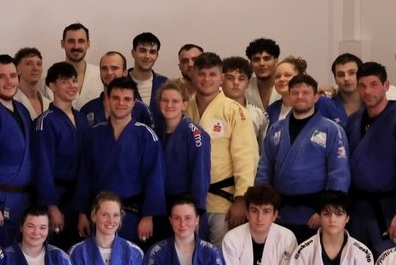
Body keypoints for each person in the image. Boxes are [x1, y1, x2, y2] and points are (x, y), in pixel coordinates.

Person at [0, 54, 57, 247]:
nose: (9, 81)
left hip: (25, 202)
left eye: (13, 76)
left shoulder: (21, 109)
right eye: (1, 76)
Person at [344, 61, 396, 255]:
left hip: (390, 210)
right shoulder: (354, 120)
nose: (368, 91)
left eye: (374, 84)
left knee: (391, 263)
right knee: (358, 263)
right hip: (358, 209)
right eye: (362, 85)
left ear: (386, 85)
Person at [256, 73, 350, 241]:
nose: (300, 96)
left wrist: (325, 212)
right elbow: (265, 169)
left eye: (306, 92)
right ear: (289, 96)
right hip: (281, 213)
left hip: (314, 213)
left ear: (316, 97)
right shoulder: (276, 129)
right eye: (295, 92)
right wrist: (266, 208)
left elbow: (339, 174)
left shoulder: (331, 129)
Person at [73, 77, 165, 243]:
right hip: (99, 213)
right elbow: (84, 176)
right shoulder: (94, 134)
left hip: (132, 213)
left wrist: (148, 216)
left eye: (127, 99)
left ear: (134, 103)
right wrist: (82, 214)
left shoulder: (146, 136)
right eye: (115, 98)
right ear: (107, 99)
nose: (121, 103)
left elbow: (155, 178)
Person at [185, 52, 259, 243]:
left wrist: (241, 199)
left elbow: (246, 158)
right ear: (192, 75)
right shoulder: (185, 108)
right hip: (191, 200)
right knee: (193, 255)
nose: (206, 79)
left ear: (221, 78)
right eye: (201, 74)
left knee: (222, 256)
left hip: (224, 202)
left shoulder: (234, 111)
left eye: (212, 74)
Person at [34, 61, 89, 251]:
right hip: (57, 198)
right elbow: (43, 167)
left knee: (78, 251)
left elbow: (87, 166)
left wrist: (83, 209)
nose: (72, 85)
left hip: (79, 199)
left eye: (74, 81)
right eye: (65, 81)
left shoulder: (82, 119)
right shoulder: (45, 122)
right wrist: (52, 206)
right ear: (52, 86)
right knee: (56, 251)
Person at [154, 79, 211, 242]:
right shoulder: (154, 131)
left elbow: (200, 176)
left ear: (184, 105)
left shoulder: (195, 134)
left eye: (175, 101)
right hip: (160, 206)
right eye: (165, 100)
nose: (169, 105)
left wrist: (196, 211)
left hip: (186, 208)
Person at [264, 56, 346, 127]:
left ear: (300, 77)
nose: (281, 79)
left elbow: (339, 131)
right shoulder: (272, 109)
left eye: (287, 75)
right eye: (277, 76)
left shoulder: (320, 102)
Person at [78, 51, 154, 127]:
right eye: (104, 68)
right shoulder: (88, 109)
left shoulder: (141, 110)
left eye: (114, 68)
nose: (109, 72)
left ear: (125, 72)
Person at [220, 56, 268, 147]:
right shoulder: (212, 111)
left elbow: (263, 150)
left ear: (248, 83)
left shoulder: (258, 115)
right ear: (221, 80)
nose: (236, 83)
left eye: (241, 79)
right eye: (230, 78)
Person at [58, 23, 103, 110]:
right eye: (71, 41)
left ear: (88, 44)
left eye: (81, 41)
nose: (76, 46)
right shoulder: (52, 77)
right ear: (63, 44)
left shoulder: (100, 74)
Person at [129, 32, 168, 112]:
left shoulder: (165, 84)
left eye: (152, 52)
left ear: (157, 56)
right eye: (142, 51)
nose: (147, 56)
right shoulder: (120, 82)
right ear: (133, 53)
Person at [13, 47, 51, 118]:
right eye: (29, 64)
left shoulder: (49, 104)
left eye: (39, 64)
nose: (35, 68)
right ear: (17, 70)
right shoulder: (11, 102)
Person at [244, 37, 282, 109]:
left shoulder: (285, 86)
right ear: (251, 63)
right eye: (256, 59)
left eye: (266, 59)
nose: (262, 63)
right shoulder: (245, 88)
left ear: (276, 61)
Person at [330, 52, 363, 117]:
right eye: (340, 75)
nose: (346, 78)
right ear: (335, 79)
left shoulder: (372, 103)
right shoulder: (328, 106)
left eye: (351, 73)